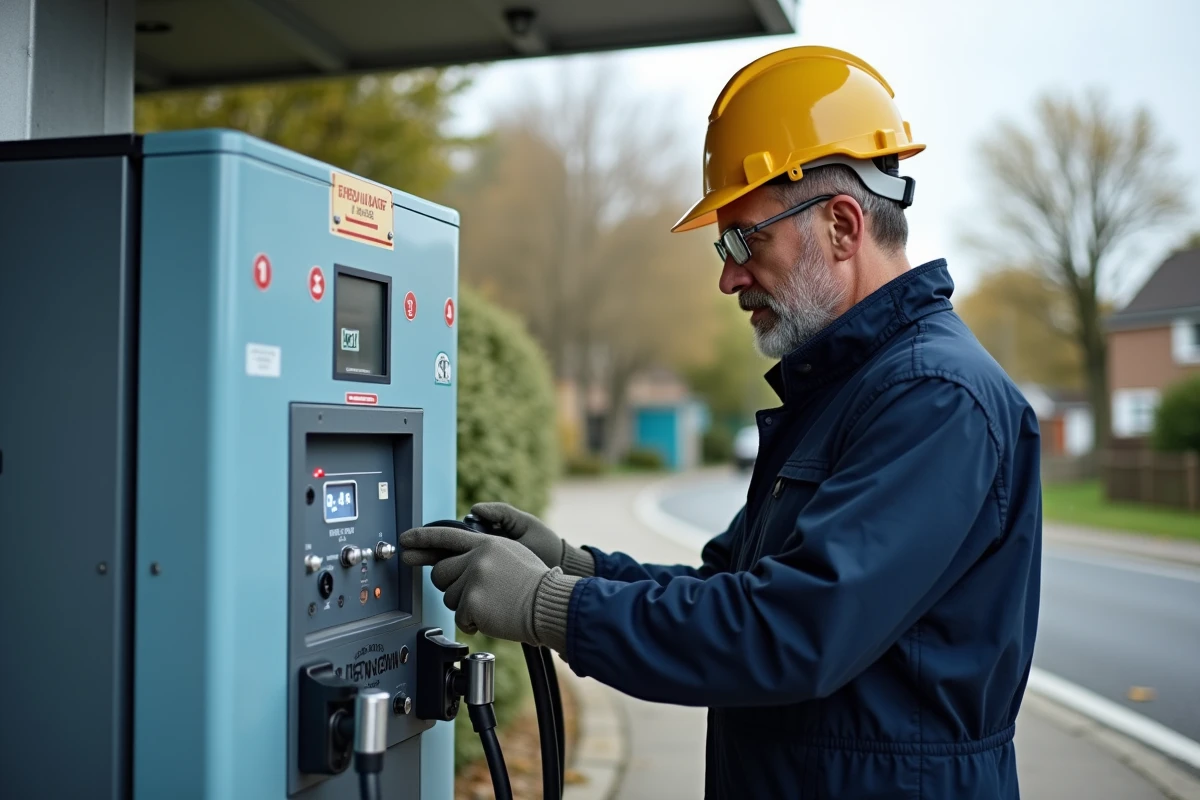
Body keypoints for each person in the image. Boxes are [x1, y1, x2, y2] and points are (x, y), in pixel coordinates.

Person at [401, 46, 1042, 799]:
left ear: (840, 225)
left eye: (746, 240)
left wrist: (551, 606)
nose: (728, 276)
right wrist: (579, 569)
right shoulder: (847, 389)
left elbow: (791, 630)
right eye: (724, 246)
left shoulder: (935, 398)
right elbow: (733, 589)